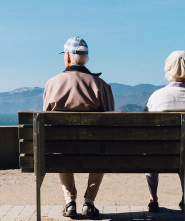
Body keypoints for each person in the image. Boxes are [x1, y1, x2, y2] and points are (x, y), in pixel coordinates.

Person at [43, 37, 115, 218]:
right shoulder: (101, 85)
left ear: (67, 57)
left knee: (59, 148)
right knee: (102, 149)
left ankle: (69, 202)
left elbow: (45, 123)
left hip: (62, 150)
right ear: (85, 58)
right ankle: (89, 203)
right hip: (94, 150)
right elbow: (111, 121)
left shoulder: (52, 83)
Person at [144, 50, 185, 213]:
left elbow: (144, 126)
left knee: (150, 151)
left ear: (167, 69)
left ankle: (153, 197)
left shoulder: (157, 96)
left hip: (160, 155)